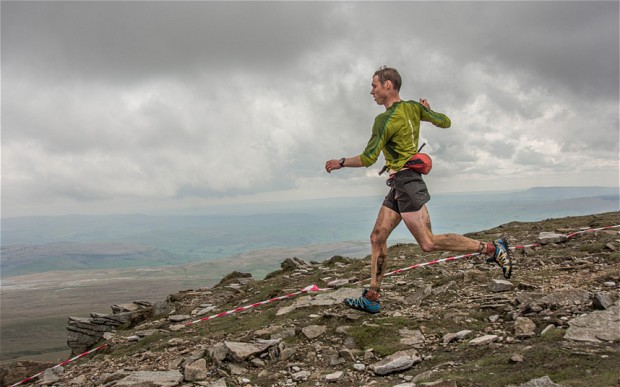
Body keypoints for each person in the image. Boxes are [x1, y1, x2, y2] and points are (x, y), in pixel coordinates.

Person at [325, 66, 512, 314]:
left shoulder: (384, 120)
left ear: (388, 85)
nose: (371, 91)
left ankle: (491, 248)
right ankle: (372, 296)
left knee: (428, 243)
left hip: (407, 184)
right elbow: (445, 122)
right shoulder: (414, 107)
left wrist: (340, 162)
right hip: (401, 183)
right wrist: (429, 110)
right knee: (377, 236)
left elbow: (369, 158)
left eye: (374, 85)